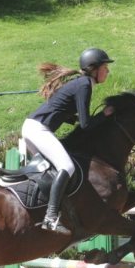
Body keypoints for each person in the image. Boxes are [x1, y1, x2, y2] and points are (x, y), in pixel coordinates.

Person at [21, 48, 115, 235]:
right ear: (94, 69)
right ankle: (50, 217)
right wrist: (104, 115)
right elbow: (86, 125)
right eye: (105, 67)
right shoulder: (84, 85)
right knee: (67, 166)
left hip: (31, 127)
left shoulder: (80, 83)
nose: (108, 71)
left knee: (51, 171)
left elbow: (67, 113)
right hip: (38, 129)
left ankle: (41, 211)